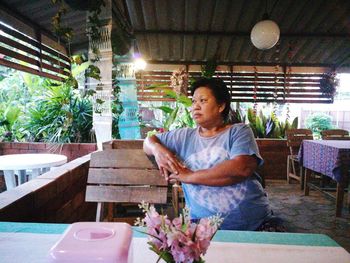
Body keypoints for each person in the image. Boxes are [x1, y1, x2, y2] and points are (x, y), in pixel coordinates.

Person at [143, 77, 274, 231]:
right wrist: (158, 150)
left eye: (203, 101)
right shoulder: (184, 136)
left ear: (221, 106)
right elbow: (148, 141)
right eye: (193, 102)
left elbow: (241, 168)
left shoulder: (238, 131)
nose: (195, 107)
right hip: (203, 230)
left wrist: (189, 176)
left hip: (253, 224)